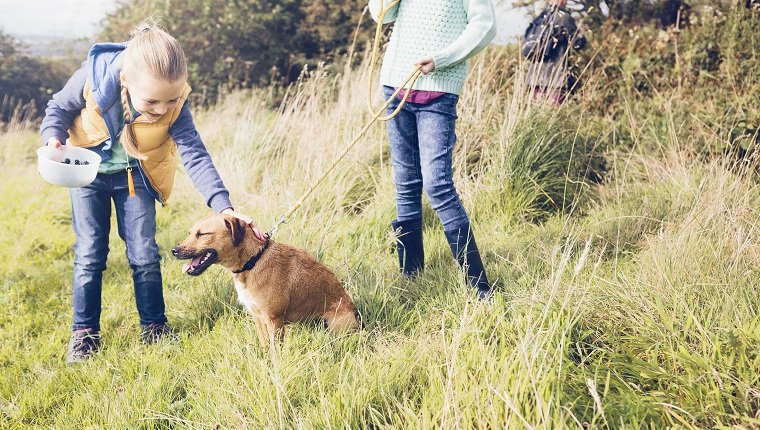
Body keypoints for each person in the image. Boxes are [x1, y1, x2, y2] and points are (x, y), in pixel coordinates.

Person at [40, 19, 265, 364]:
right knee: (89, 254)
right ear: (126, 81)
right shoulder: (94, 76)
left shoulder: (175, 101)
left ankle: (155, 328)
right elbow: (58, 108)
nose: (162, 109)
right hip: (87, 176)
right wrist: (53, 137)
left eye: (171, 100)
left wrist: (224, 207)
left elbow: (194, 151)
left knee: (144, 254)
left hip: (135, 178)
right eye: (153, 102)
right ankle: (84, 333)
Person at [368, 0, 496, 300]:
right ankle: (411, 279)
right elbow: (381, 14)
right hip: (396, 84)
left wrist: (442, 58)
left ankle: (479, 287)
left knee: (438, 184)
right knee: (405, 183)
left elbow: (485, 26)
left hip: (438, 89)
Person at [522, 0, 586, 105]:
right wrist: (580, 31)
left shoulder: (539, 18)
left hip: (534, 78)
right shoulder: (564, 18)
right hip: (556, 78)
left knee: (537, 115)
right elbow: (578, 44)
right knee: (553, 115)